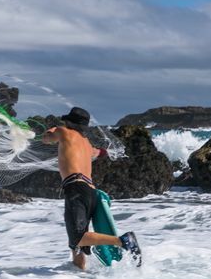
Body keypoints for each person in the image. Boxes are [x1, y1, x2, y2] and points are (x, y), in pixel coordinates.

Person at [42, 107, 141, 270]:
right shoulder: (88, 145)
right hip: (91, 192)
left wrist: (51, 129)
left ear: (68, 122)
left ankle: (123, 241)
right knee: (77, 246)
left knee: (78, 238)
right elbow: (100, 152)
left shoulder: (63, 132)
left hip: (76, 189)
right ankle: (80, 277)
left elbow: (46, 139)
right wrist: (105, 151)